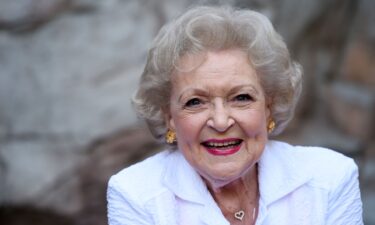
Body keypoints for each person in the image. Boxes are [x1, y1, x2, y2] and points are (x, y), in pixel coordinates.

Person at [107, 5, 363, 225]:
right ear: (169, 117)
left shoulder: (329, 178)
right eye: (195, 102)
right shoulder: (136, 194)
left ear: (269, 106)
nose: (220, 121)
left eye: (241, 98)